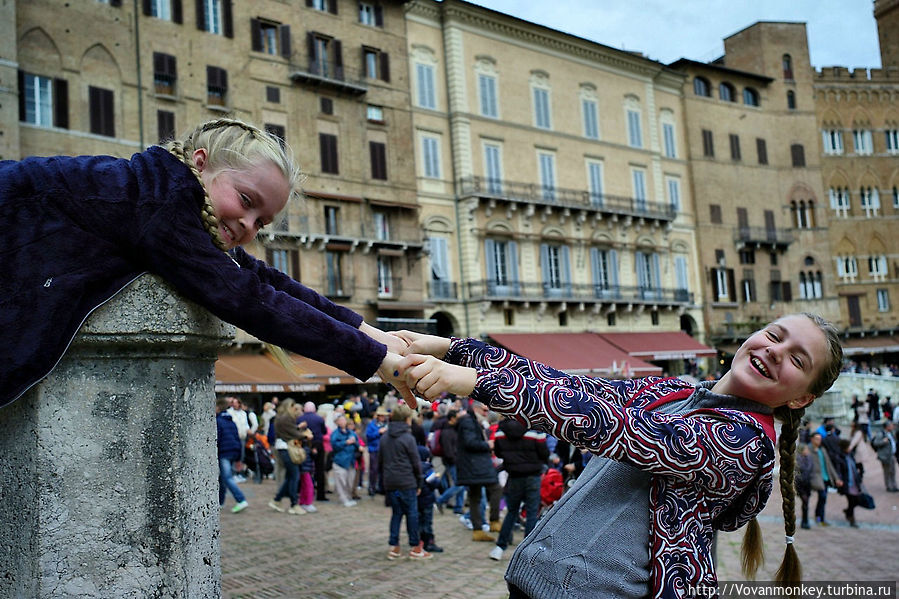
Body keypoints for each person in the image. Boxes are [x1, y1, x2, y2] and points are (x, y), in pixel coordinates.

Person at [395, 312, 844, 597]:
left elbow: (616, 426)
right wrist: (457, 349)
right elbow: (581, 389)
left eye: (797, 359)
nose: (774, 351)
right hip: (539, 581)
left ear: (801, 398)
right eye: (774, 334)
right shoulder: (677, 388)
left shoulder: (745, 440)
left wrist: (473, 382)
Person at [0, 118, 414, 410]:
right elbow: (245, 297)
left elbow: (259, 276)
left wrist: (372, 334)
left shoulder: (165, 195)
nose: (248, 225)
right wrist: (378, 361)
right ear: (200, 163)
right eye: (247, 202)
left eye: (262, 222)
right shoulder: (163, 202)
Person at [489, 417, 549, 561]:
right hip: (532, 475)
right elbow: (544, 452)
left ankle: (499, 547)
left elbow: (498, 452)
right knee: (532, 512)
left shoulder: (500, 430)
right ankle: (526, 551)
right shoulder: (534, 428)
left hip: (514, 474)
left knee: (512, 511)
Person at [379, 404, 431, 560]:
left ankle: (394, 547)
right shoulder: (408, 438)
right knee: (412, 514)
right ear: (407, 419)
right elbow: (416, 463)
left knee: (396, 514)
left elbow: (380, 462)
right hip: (407, 481)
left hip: (391, 481)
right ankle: (415, 547)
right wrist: (420, 482)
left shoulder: (385, 437)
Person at [455, 401, 503, 542]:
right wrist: (487, 445)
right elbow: (470, 443)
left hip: (474, 465)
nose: (486, 412)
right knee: (495, 489)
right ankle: (493, 521)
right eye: (484, 409)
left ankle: (478, 530)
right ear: (476, 408)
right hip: (476, 465)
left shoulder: (471, 421)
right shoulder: (469, 422)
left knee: (475, 497)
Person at [269, 398, 307, 516]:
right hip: (286, 448)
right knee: (294, 476)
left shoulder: (280, 417)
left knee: (290, 476)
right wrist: (304, 435)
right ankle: (293, 504)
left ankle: (277, 500)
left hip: (282, 447)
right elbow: (292, 433)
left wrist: (298, 429)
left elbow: (289, 431)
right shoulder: (286, 418)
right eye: (294, 407)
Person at [215, 397, 248, 513]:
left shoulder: (218, 421)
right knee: (222, 478)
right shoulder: (231, 421)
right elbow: (237, 438)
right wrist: (239, 457)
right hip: (233, 451)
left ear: (218, 408)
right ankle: (220, 502)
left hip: (224, 452)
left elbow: (216, 439)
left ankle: (241, 499)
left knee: (227, 477)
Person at [807, 432, 842, 526]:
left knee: (823, 498)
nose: (819, 441)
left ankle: (820, 517)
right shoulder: (809, 450)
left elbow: (829, 464)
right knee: (822, 496)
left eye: (820, 439)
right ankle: (819, 517)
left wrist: (836, 478)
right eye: (817, 439)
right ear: (812, 439)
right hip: (816, 478)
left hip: (825, 477)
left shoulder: (822, 450)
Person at [329, 414, 359, 507]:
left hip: (351, 461)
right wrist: (346, 442)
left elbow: (357, 445)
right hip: (340, 461)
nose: (342, 422)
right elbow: (334, 446)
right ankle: (343, 499)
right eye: (340, 420)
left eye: (343, 420)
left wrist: (355, 442)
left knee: (350, 481)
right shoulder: (335, 434)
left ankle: (348, 497)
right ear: (337, 422)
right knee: (341, 482)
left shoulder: (351, 432)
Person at [836, 438, 864, 527]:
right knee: (851, 501)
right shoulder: (840, 457)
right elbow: (839, 470)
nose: (850, 448)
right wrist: (839, 479)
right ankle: (852, 520)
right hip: (847, 483)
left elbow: (854, 465)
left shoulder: (850, 455)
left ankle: (848, 512)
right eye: (848, 447)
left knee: (856, 500)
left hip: (854, 482)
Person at [366, 407, 389, 496]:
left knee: (383, 469)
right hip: (374, 449)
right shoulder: (372, 425)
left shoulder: (387, 425)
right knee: (373, 470)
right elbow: (368, 436)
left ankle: (381, 487)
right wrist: (379, 432)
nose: (383, 417)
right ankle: (372, 487)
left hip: (384, 450)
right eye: (382, 416)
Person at [872, 420, 898, 492]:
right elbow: (875, 443)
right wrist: (883, 441)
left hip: (891, 455)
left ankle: (894, 485)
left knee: (892, 471)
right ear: (887, 427)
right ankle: (889, 486)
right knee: (887, 472)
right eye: (891, 425)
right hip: (885, 456)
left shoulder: (891, 433)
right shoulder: (881, 434)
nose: (893, 426)